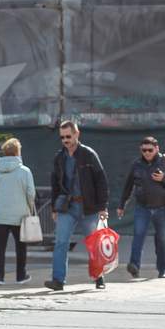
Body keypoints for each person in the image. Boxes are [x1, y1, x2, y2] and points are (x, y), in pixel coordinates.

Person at [46, 120, 109, 291]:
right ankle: (58, 280)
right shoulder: (59, 157)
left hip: (88, 207)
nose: (65, 140)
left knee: (94, 243)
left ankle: (99, 277)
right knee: (60, 242)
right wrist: (54, 208)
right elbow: (55, 184)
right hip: (67, 207)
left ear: (77, 134)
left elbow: (101, 181)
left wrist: (103, 207)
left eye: (68, 136)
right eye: (62, 137)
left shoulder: (88, 154)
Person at [117, 136, 165, 279]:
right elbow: (128, 186)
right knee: (138, 235)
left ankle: (162, 269)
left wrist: (164, 178)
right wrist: (122, 205)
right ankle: (134, 265)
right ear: (141, 149)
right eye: (144, 150)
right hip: (142, 207)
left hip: (161, 207)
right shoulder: (136, 164)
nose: (147, 153)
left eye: (150, 150)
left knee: (162, 238)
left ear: (157, 149)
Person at [0, 137, 36, 286]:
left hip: (0, 214)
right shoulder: (25, 171)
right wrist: (28, 205)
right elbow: (31, 193)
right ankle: (21, 276)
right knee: (21, 246)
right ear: (17, 152)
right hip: (20, 214)